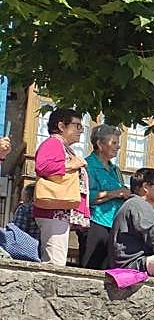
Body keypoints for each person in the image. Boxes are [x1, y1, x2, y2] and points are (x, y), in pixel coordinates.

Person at [33, 107, 90, 265]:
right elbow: (42, 166)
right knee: (54, 262)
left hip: (58, 211)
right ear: (61, 126)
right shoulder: (54, 143)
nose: (81, 131)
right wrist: (72, 164)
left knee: (55, 258)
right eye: (77, 126)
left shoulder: (62, 146)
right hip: (54, 212)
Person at [82, 124, 130, 269]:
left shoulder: (115, 169)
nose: (118, 147)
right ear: (100, 144)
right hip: (95, 222)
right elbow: (86, 196)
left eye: (118, 143)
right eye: (113, 143)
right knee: (91, 267)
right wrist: (115, 193)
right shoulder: (87, 165)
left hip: (114, 225)